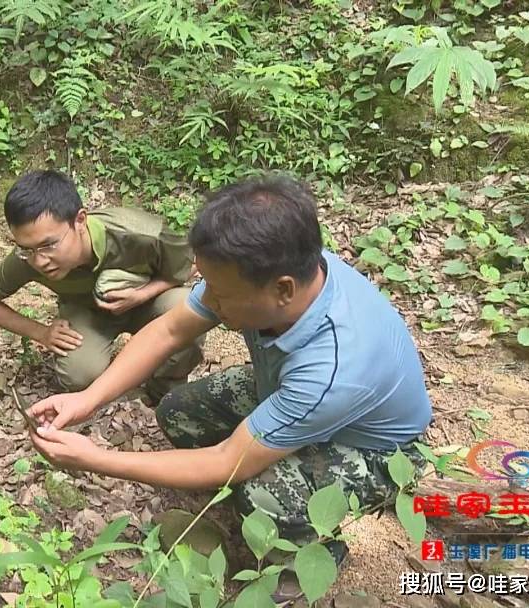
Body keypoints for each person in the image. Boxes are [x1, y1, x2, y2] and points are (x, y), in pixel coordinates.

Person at [26, 174, 433, 600]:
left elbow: (225, 462)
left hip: (377, 447)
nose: (209, 300)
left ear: (282, 291)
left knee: (262, 494)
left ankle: (306, 558)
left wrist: (97, 459)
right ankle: (266, 450)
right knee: (178, 412)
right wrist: (86, 400)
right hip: (288, 392)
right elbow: (168, 330)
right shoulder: (274, 266)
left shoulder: (332, 367)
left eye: (220, 294)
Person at [0, 169, 204, 406]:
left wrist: (140, 295)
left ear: (80, 220)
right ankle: (118, 388)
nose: (39, 260)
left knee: (189, 308)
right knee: (79, 373)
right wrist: (41, 332)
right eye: (26, 248)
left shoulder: (140, 233)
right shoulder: (28, 257)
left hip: (147, 303)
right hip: (88, 312)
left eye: (49, 245)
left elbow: (193, 263)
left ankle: (163, 390)